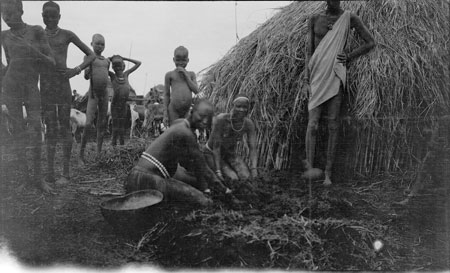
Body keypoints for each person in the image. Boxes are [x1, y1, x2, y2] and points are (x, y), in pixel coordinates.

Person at [303, 0, 375, 185]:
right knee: (312, 125)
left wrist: (349, 56)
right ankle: (310, 170)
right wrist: (306, 80)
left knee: (333, 124)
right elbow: (309, 51)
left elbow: (370, 42)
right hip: (316, 76)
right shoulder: (315, 19)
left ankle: (328, 174)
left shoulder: (349, 17)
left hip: (335, 74)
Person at [125, 99, 232, 207]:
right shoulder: (186, 133)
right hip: (148, 180)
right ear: (191, 112)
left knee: (193, 183)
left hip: (135, 177)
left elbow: (189, 163)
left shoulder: (179, 123)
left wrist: (204, 186)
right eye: (201, 116)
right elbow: (203, 168)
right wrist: (225, 190)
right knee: (205, 201)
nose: (205, 121)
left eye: (208, 118)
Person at [1, 0, 56, 193]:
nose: (7, 18)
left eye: (11, 14)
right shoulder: (3, 36)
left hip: (31, 87)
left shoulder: (36, 31)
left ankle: (39, 179)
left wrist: (32, 51)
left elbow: (51, 62)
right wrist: (5, 72)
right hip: (11, 89)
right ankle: (25, 179)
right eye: (3, 15)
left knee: (35, 130)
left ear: (21, 10)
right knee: (17, 133)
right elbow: (5, 62)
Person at [40, 0, 95, 185]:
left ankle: (65, 173)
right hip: (46, 87)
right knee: (50, 128)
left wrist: (76, 70)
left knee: (64, 128)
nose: (49, 19)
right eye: (46, 16)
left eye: (53, 16)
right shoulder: (38, 35)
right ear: (42, 16)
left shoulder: (67, 34)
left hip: (63, 86)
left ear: (59, 17)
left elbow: (91, 54)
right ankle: (49, 173)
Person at [204, 94, 258, 183]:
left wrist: (254, 168)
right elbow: (216, 147)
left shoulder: (248, 124)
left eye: (245, 107)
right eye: (238, 106)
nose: (242, 110)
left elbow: (253, 148)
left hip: (229, 153)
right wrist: (218, 171)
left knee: (246, 177)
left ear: (248, 108)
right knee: (233, 179)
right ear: (232, 106)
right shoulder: (221, 120)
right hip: (211, 153)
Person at [79, 33, 110, 164]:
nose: (100, 46)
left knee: (101, 124)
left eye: (102, 44)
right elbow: (86, 77)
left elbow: (106, 76)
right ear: (91, 44)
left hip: (105, 94)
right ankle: (81, 154)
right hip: (93, 94)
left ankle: (98, 153)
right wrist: (87, 69)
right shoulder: (88, 57)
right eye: (97, 43)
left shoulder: (107, 61)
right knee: (87, 124)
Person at [108, 55, 141, 146]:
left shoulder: (126, 74)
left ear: (124, 66)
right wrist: (109, 59)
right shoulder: (112, 76)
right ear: (113, 67)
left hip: (123, 105)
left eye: (120, 66)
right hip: (115, 105)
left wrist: (125, 58)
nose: (118, 68)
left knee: (122, 127)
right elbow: (104, 67)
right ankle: (113, 145)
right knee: (115, 127)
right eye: (115, 66)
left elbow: (138, 63)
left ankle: (122, 146)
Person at [164, 46, 199, 126]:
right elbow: (166, 95)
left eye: (183, 60)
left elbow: (196, 91)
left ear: (188, 60)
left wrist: (186, 76)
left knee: (186, 132)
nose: (180, 63)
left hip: (187, 110)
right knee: (174, 132)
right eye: (178, 60)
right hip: (173, 110)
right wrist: (165, 113)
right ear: (173, 60)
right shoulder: (169, 75)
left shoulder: (191, 74)